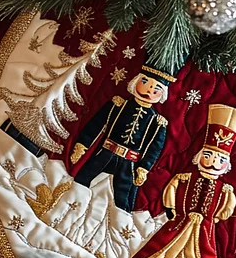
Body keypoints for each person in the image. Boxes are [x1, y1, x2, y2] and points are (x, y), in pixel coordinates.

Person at [123, 103, 236, 258]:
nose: (213, 162)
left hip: (204, 230)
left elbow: (227, 207)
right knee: (161, 249)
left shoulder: (225, 189)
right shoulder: (184, 178)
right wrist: (170, 207)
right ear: (199, 156)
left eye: (219, 159)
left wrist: (217, 217)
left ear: (226, 164)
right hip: (180, 222)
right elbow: (171, 190)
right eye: (208, 155)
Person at [70, 65, 174, 212]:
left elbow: (154, 148)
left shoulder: (158, 122)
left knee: (121, 200)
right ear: (135, 81)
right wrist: (82, 145)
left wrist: (144, 168)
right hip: (104, 155)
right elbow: (96, 124)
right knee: (82, 181)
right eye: (145, 83)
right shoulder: (118, 105)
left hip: (128, 164)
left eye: (156, 89)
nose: (149, 91)